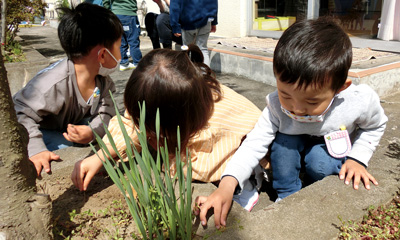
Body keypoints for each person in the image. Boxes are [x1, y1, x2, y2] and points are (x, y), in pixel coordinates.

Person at [194, 17, 388, 229]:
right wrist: (227, 185)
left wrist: (357, 159)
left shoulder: (358, 100)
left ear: (340, 88)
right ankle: (287, 193)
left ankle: (314, 181)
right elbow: (253, 145)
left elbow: (375, 126)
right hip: (292, 141)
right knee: (283, 146)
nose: (296, 108)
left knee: (319, 164)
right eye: (285, 94)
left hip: (328, 142)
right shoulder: (277, 106)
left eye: (312, 101)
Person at [71, 45, 262, 200]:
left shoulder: (218, 127)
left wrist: (166, 149)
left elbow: (202, 167)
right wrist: (101, 155)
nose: (147, 133)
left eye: (155, 132)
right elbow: (130, 122)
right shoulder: (172, 96)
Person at [13, 3, 123, 177]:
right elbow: (19, 112)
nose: (121, 54)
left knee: (112, 130)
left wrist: (92, 131)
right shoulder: (52, 84)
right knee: (63, 149)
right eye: (119, 46)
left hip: (70, 126)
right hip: (41, 129)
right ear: (102, 55)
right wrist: (35, 148)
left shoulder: (103, 81)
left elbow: (106, 113)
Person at [169, 0, 217, 66]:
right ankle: (205, 74)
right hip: (205, 20)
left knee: (186, 49)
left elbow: (174, 6)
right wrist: (214, 21)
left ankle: (187, 74)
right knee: (203, 49)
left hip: (188, 20)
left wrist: (175, 26)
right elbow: (214, 3)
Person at [103, 0, 143, 71]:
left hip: (116, 14)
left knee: (121, 40)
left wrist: (109, 10)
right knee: (133, 41)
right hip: (130, 14)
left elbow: (105, 1)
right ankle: (138, 62)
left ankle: (123, 63)